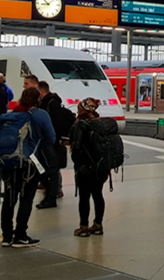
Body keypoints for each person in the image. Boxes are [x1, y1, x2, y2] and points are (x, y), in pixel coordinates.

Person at [0, 87, 55, 248]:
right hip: (29, 163)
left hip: (8, 162)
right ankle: (20, 235)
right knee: (26, 199)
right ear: (38, 99)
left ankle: (6, 237)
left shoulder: (12, 114)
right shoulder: (40, 114)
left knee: (9, 199)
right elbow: (51, 137)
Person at [69, 98, 113, 236]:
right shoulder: (102, 124)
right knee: (98, 194)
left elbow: (76, 146)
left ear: (83, 109)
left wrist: (77, 162)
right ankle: (98, 225)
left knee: (84, 197)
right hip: (101, 167)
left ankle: (84, 227)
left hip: (85, 167)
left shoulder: (80, 125)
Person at [36, 81, 74, 209]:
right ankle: (51, 191)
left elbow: (55, 124)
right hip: (50, 140)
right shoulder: (49, 103)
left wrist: (54, 138)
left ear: (42, 92)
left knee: (52, 168)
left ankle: (53, 192)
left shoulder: (51, 104)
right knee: (48, 167)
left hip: (51, 141)